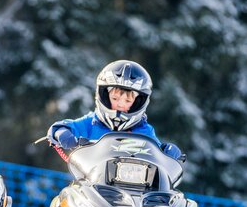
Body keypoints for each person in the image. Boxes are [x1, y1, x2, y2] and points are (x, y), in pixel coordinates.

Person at [47, 59, 183, 160]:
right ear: (105, 96)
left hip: (134, 190)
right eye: (115, 98)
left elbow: (157, 152)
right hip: (89, 186)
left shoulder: (144, 131)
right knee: (65, 198)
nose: (120, 104)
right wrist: (62, 133)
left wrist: (167, 152)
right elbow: (58, 128)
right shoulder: (92, 123)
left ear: (138, 102)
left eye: (128, 101)